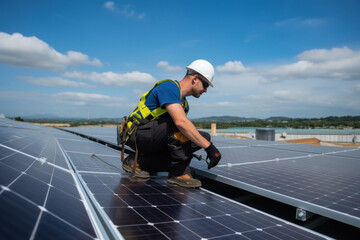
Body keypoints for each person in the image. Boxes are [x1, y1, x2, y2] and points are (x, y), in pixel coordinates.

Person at [119, 59, 222, 187]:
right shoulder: (169, 87)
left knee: (203, 137)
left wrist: (206, 143)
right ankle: (178, 173)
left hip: (153, 137)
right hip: (137, 134)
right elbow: (181, 123)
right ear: (195, 78)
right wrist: (209, 148)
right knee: (180, 125)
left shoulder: (183, 104)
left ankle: (140, 162)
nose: (205, 90)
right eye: (205, 85)